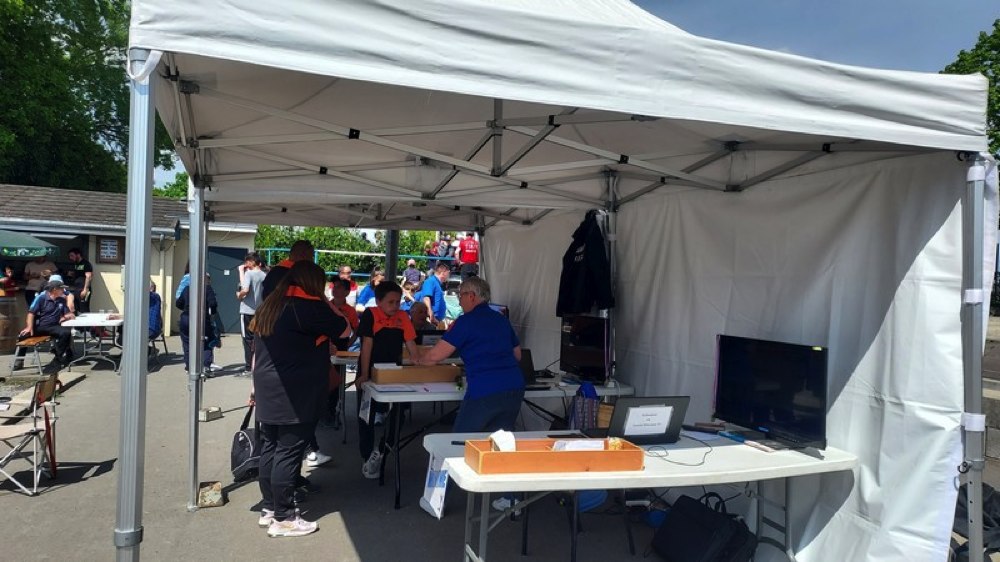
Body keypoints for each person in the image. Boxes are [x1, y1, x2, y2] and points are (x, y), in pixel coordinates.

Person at [250, 261, 348, 537]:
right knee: (289, 450)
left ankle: (270, 508)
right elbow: (344, 330)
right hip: (296, 390)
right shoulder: (309, 308)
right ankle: (284, 518)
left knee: (271, 446)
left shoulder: (271, 305)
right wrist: (325, 301)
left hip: (267, 384)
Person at [417, 276, 524, 433]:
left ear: (472, 296)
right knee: (498, 441)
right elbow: (517, 355)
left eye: (461, 296)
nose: (459, 302)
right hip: (514, 387)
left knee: (461, 440)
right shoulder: (502, 319)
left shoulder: (465, 322)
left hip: (484, 388)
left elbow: (434, 357)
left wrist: (417, 359)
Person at [355, 281, 421, 479]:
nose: (395, 306)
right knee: (366, 415)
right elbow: (366, 346)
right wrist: (364, 374)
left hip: (394, 373)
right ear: (378, 301)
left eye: (398, 302)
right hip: (370, 370)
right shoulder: (371, 314)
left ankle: (383, 449)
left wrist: (418, 361)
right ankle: (367, 456)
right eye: (390, 302)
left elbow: (411, 343)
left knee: (398, 414)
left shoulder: (403, 317)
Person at [20, 279, 76, 370]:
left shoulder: (61, 300)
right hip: (40, 326)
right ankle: (19, 361)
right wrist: (29, 327)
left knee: (66, 333)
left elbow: (68, 314)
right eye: (61, 289)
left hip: (53, 326)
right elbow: (31, 313)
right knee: (23, 335)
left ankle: (57, 358)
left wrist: (67, 316)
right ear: (54, 290)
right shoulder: (41, 298)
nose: (63, 290)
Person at [176, 270, 219, 373]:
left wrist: (186, 308)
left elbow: (178, 303)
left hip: (186, 318)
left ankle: (189, 366)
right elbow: (213, 303)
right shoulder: (207, 289)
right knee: (207, 341)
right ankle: (205, 365)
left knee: (187, 343)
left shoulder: (187, 289)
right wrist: (212, 313)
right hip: (202, 318)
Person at [237, 252, 266, 375]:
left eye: (247, 261)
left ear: (252, 262)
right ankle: (256, 365)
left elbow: (245, 289)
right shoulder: (264, 275)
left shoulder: (249, 273)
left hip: (247, 310)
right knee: (257, 339)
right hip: (259, 311)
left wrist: (239, 295)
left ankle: (249, 367)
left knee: (247, 339)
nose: (246, 264)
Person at [66, 247, 94, 314]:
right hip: (77, 289)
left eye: (72, 255)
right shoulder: (76, 264)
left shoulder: (86, 263)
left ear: (78, 255)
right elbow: (79, 274)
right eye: (69, 256)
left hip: (84, 289)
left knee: (84, 308)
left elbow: (89, 276)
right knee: (76, 308)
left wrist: (85, 290)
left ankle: (86, 321)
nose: (70, 258)